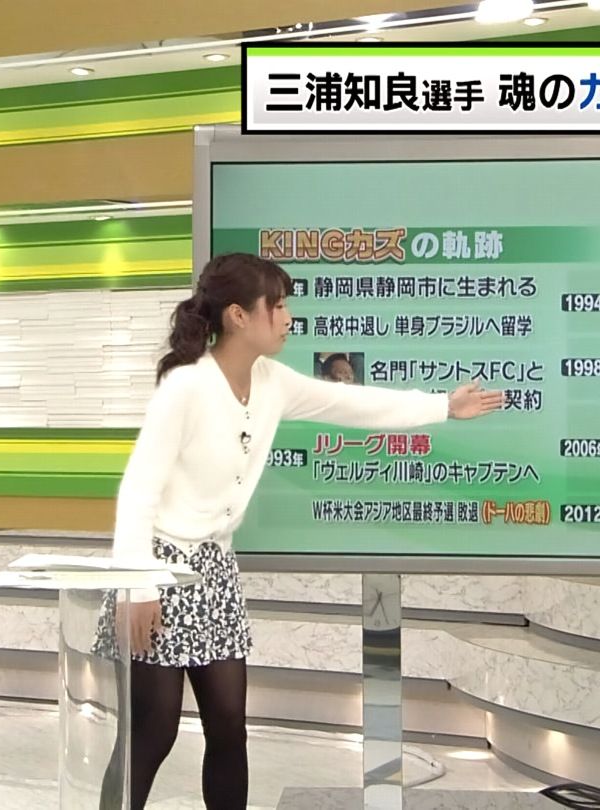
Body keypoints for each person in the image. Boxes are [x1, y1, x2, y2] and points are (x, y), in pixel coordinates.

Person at [96, 253, 501, 809]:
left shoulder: (272, 382)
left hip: (214, 570)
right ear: (239, 315)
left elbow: (350, 402)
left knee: (229, 728)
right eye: (279, 305)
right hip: (156, 569)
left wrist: (443, 407)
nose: (289, 318)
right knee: (152, 732)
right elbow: (138, 491)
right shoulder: (185, 387)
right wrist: (137, 586)